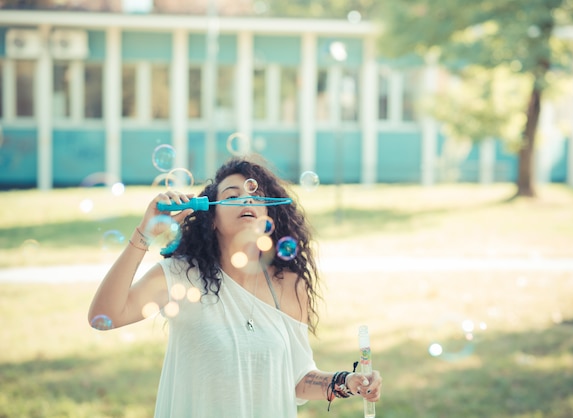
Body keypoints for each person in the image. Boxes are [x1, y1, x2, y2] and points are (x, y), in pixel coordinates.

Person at [88, 155, 383, 417]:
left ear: (269, 217)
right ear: (212, 219)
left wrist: (346, 382)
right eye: (232, 195)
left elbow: (297, 377)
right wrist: (145, 232)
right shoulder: (181, 275)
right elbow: (105, 316)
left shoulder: (291, 285)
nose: (247, 200)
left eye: (255, 196)